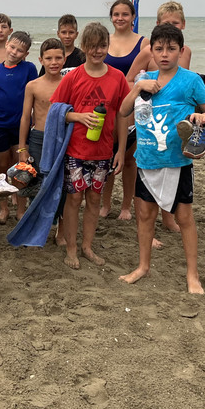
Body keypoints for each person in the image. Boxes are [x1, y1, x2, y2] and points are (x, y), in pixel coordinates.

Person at [117, 24, 205, 293]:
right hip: (146, 159)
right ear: (151, 51)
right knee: (144, 215)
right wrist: (137, 87)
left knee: (184, 218)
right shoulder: (145, 79)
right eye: (159, 48)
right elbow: (123, 110)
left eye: (171, 49)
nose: (164, 54)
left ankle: (193, 274)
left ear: (181, 51)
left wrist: (202, 116)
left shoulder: (191, 81)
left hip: (177, 160)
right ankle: (143, 266)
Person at [51, 22, 130, 269]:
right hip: (75, 150)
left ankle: (87, 246)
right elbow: (56, 110)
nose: (98, 51)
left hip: (103, 151)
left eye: (102, 46)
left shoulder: (117, 78)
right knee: (74, 199)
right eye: (93, 46)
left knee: (95, 199)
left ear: (108, 46)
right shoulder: (72, 76)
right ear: (84, 47)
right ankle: (71, 249)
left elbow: (122, 115)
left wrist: (121, 150)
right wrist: (79, 116)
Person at [0, 30, 37, 232]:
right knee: (2, 165)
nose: (15, 52)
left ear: (26, 53)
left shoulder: (29, 69)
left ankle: (21, 209)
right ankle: (4, 208)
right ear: (6, 45)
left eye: (20, 50)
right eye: (13, 47)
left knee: (21, 166)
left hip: (20, 125)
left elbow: (33, 93)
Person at [102, 0, 149, 220]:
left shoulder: (144, 43)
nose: (120, 18)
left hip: (133, 106)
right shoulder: (105, 40)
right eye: (116, 14)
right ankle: (105, 204)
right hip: (106, 105)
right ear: (111, 17)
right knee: (107, 156)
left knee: (130, 160)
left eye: (125, 14)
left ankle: (126, 207)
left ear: (133, 17)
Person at [17, 37, 66, 218]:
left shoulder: (68, 84)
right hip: (38, 138)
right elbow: (25, 117)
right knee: (37, 182)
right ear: (41, 60)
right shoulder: (33, 85)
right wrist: (23, 148)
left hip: (62, 139)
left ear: (64, 59)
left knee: (61, 183)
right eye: (49, 58)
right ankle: (36, 221)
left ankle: (59, 225)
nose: (54, 62)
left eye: (58, 58)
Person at [125, 1, 193, 78]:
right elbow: (128, 81)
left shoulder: (186, 51)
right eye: (166, 23)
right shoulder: (148, 52)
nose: (170, 27)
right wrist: (142, 84)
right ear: (158, 24)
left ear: (183, 24)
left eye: (175, 23)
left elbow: (186, 79)